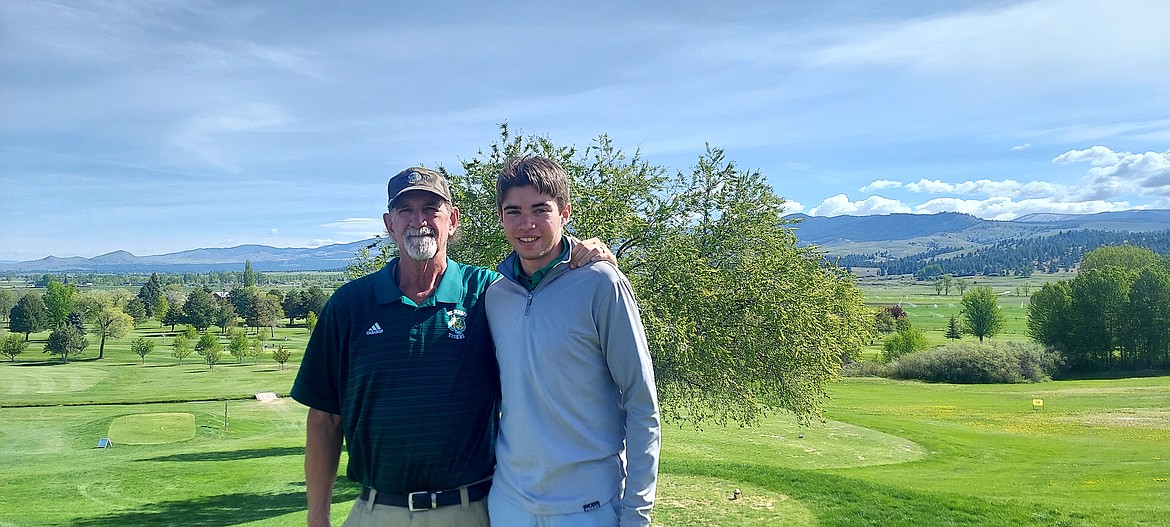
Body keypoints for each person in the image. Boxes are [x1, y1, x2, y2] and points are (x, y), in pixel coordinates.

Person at [290, 166, 614, 527]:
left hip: (469, 510)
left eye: (431, 208)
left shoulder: (490, 294)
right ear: (389, 223)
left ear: (452, 219)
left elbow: (543, 288)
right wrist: (317, 518)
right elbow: (323, 420)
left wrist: (582, 258)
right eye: (405, 210)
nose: (419, 220)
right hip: (376, 511)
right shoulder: (349, 305)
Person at [485, 155, 661, 527]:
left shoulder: (602, 284)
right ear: (500, 217)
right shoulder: (495, 295)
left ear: (564, 213)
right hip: (508, 506)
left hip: (588, 509)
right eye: (513, 211)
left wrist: (636, 514)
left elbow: (642, 404)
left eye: (540, 209)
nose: (526, 223)